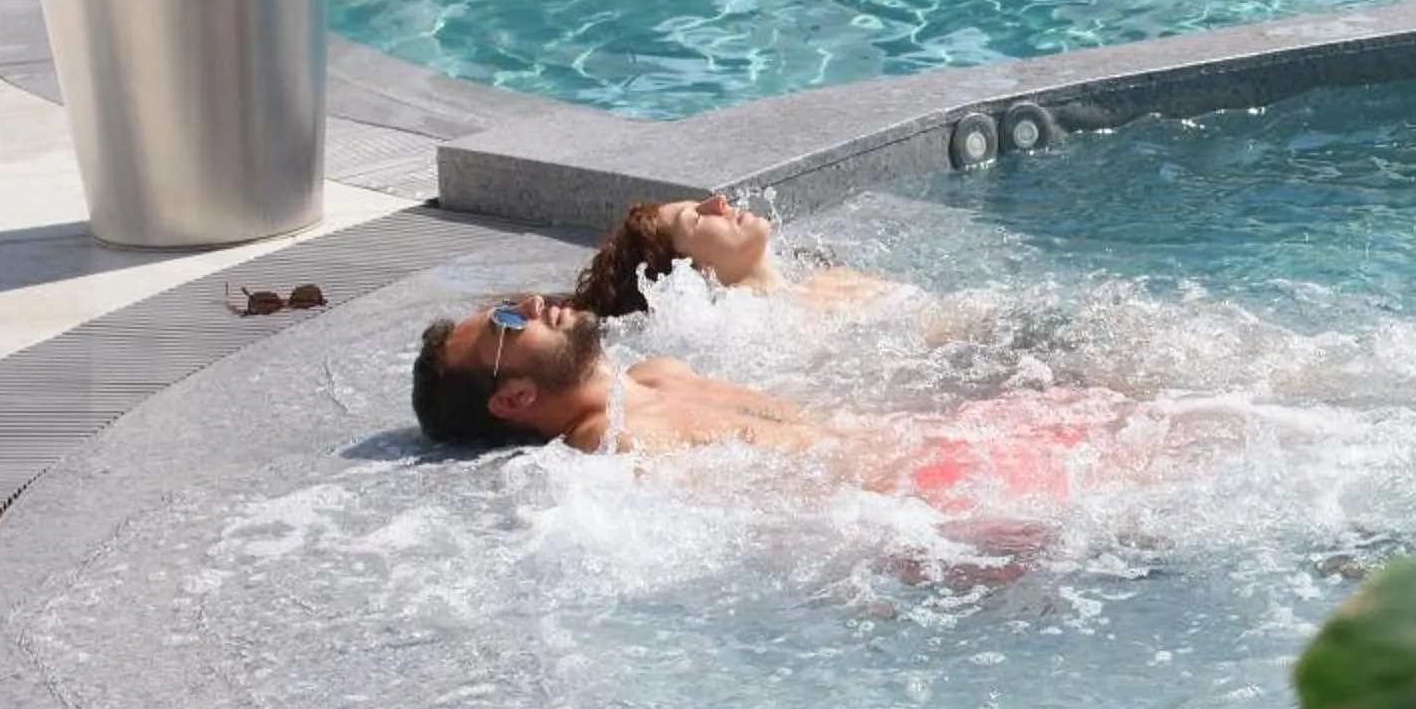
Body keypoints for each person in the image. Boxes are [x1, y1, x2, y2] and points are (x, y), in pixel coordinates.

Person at [411, 292, 1124, 507]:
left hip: (959, 445)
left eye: (511, 303)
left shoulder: (659, 371)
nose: (530, 303)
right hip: (951, 499)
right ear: (513, 399)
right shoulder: (606, 446)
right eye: (507, 324)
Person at [573, 193, 893, 320]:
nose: (718, 202)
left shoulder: (825, 276)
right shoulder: (767, 331)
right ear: (692, 273)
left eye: (699, 202)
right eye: (696, 219)